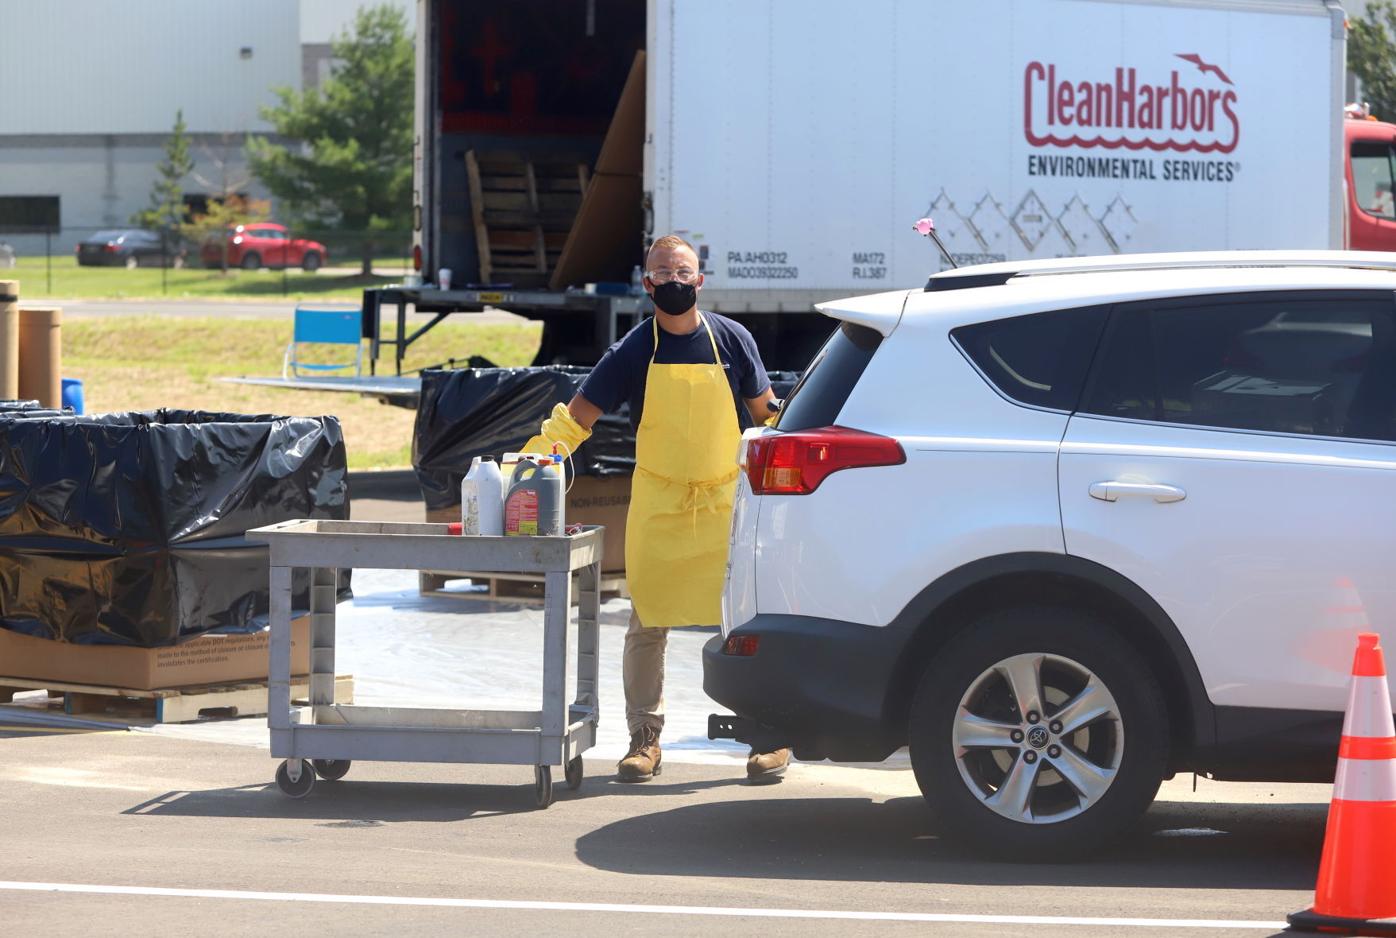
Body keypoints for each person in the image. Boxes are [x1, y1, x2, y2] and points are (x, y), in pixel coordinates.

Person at [522, 234, 791, 783]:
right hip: (660, 504)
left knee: (746, 622)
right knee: (648, 623)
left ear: (700, 279)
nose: (673, 281)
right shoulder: (633, 351)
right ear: (646, 285)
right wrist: (527, 471)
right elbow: (575, 421)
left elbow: (767, 415)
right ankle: (644, 739)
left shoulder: (733, 340)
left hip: (724, 504)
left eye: (682, 271)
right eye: (662, 273)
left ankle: (769, 732)